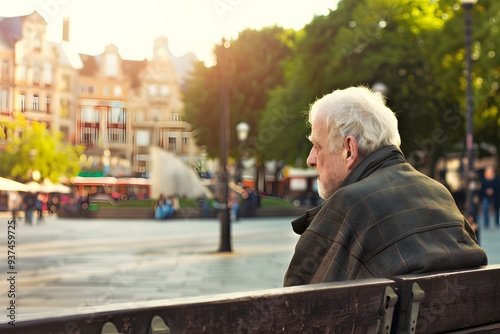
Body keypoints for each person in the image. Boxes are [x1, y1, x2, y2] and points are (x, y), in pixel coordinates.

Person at [284, 86, 487, 287]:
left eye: (318, 146)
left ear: (349, 150)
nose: (311, 159)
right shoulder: (439, 193)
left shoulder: (349, 203)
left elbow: (298, 303)